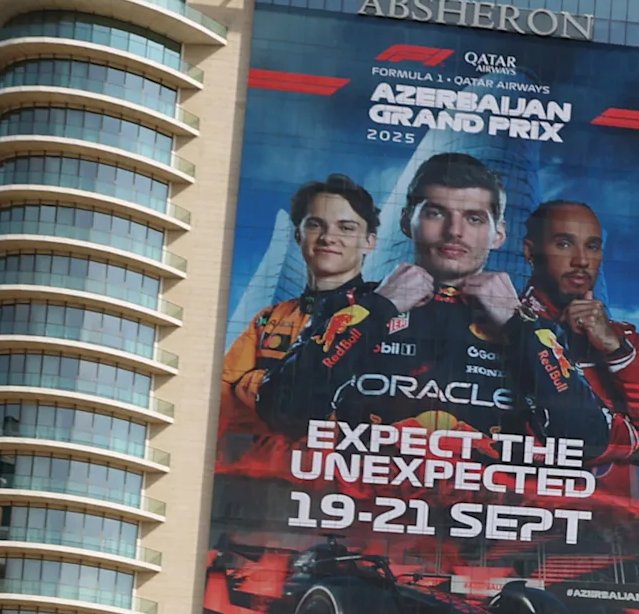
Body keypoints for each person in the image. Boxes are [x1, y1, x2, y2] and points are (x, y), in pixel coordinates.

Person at [256, 152, 612, 470]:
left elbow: (588, 440)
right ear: (406, 221)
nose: (453, 232)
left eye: (474, 219)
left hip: (480, 528)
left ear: (498, 234)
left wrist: (519, 326)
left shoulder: (533, 325)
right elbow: (282, 412)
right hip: (361, 515)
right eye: (436, 213)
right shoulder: (352, 306)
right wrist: (380, 309)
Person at [218, 174, 382, 476]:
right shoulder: (268, 319)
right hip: (261, 489)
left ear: (369, 242)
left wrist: (259, 386)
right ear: (298, 235)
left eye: (346, 227)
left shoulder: (386, 315)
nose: (328, 237)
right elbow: (222, 413)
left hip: (350, 492)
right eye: (315, 224)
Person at [518, 199, 639, 461]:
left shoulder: (623, 339)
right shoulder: (502, 326)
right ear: (530, 252)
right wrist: (634, 441)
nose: (581, 260)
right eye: (564, 244)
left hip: (614, 501)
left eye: (592, 246)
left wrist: (615, 350)